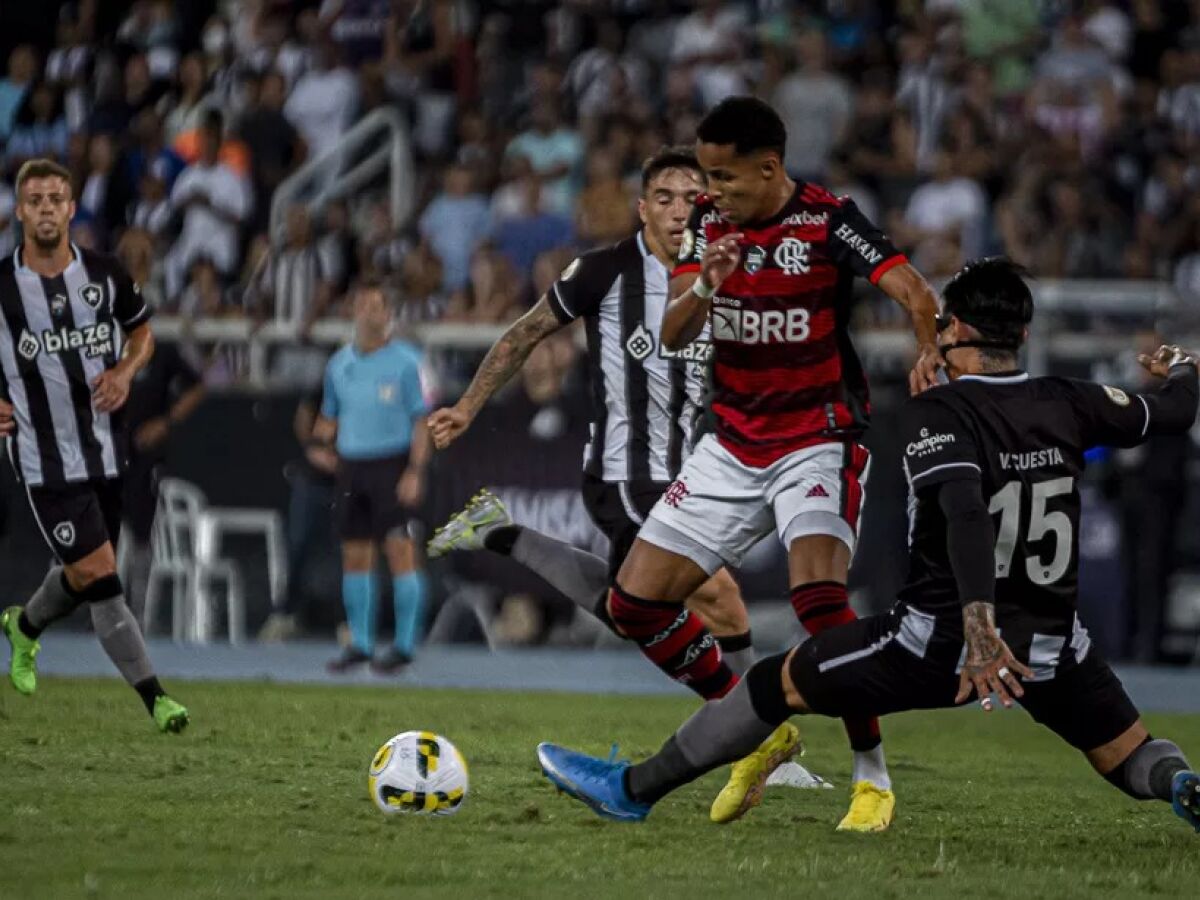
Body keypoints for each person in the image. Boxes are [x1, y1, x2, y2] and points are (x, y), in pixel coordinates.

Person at [535, 258, 1200, 837]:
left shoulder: (941, 411)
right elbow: (1173, 411)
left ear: (956, 331)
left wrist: (977, 627)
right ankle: (1181, 786)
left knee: (773, 683)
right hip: (1053, 645)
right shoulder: (1071, 401)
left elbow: (966, 512)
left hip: (946, 641)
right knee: (1130, 755)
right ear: (1022, 335)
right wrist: (1184, 367)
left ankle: (630, 793)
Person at [582, 96, 942, 832]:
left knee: (819, 604)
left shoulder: (828, 221)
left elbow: (912, 290)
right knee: (633, 605)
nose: (706, 194)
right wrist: (708, 281)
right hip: (733, 442)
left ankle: (871, 776)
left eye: (722, 177)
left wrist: (931, 348)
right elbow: (676, 331)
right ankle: (757, 722)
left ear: (770, 168)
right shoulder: (710, 228)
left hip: (817, 435)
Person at [427, 146, 820, 790]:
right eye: (663, 197)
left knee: (627, 605)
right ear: (642, 209)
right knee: (717, 598)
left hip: (691, 473)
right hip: (625, 475)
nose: (677, 209)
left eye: (691, 197)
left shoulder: (719, 274)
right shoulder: (603, 271)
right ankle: (762, 737)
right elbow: (524, 333)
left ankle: (502, 533)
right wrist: (468, 406)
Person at [0, 158, 189, 733]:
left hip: (108, 451)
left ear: (72, 206)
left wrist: (127, 372)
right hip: (43, 460)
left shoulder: (105, 274)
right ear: (20, 210)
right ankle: (157, 698)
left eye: (56, 197)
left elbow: (143, 332)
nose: (47, 208)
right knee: (105, 576)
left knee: (83, 576)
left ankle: (24, 627)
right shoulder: (3, 288)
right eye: (35, 200)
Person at [316, 280, 430, 673]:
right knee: (355, 554)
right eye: (360, 305)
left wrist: (415, 470)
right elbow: (328, 416)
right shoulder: (338, 364)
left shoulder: (407, 361)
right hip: (352, 465)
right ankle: (360, 642)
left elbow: (422, 420)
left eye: (375, 306)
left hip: (392, 463)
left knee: (400, 550)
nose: (367, 313)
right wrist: (321, 444)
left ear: (388, 315)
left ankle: (404, 644)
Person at [121, 340, 206, 624]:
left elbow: (197, 386)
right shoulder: (99, 346)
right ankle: (99, 608)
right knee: (100, 532)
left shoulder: (161, 353)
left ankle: (136, 610)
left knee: (140, 533)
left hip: (144, 455)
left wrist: (166, 422)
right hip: (107, 451)